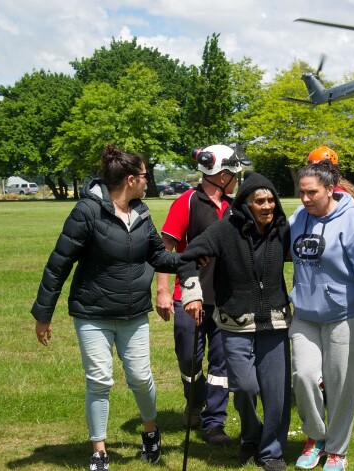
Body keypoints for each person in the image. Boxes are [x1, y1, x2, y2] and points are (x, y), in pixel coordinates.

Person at [31, 144, 182, 470]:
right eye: (144, 175)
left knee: (141, 377)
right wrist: (43, 314)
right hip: (92, 314)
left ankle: (151, 431)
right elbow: (58, 264)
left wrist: (190, 259)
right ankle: (99, 450)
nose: (147, 180)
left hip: (133, 313)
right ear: (130, 179)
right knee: (99, 380)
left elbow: (157, 256)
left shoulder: (141, 212)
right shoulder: (87, 212)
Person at [179, 171, 292, 471]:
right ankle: (250, 435)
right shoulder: (225, 230)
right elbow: (188, 256)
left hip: (275, 323)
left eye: (271, 200)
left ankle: (271, 452)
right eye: (260, 201)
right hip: (235, 324)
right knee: (244, 387)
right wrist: (191, 293)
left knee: (276, 394)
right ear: (245, 204)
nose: (268, 206)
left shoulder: (283, 229)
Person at [289, 160, 354, 471]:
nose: (305, 199)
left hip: (344, 315)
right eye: (301, 192)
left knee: (340, 383)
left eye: (312, 193)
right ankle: (315, 437)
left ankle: (337, 449)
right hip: (304, 314)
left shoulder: (353, 220)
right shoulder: (298, 218)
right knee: (303, 376)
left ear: (331, 190)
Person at [155, 144, 244, 445]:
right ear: (220, 175)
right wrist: (164, 292)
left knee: (222, 364)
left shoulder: (235, 206)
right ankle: (194, 400)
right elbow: (165, 250)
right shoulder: (187, 202)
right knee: (188, 358)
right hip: (187, 297)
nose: (236, 178)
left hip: (225, 300)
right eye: (233, 173)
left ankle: (214, 423)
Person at [307, 146, 354, 407]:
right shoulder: (346, 190)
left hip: (335, 271)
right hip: (345, 270)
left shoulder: (337, 194)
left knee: (339, 343)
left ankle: (342, 392)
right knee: (349, 343)